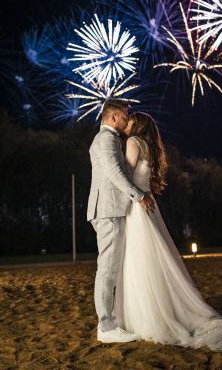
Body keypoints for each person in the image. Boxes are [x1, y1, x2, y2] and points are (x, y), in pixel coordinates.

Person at [114, 111, 222, 352]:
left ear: (139, 126)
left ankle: (146, 315)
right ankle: (158, 308)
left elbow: (124, 176)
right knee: (151, 260)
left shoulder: (133, 143)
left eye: (131, 121)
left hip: (136, 207)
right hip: (148, 206)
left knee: (137, 261)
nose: (127, 124)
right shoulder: (150, 146)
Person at [87, 100, 155, 343]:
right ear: (114, 117)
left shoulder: (111, 139)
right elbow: (115, 173)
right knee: (107, 269)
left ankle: (111, 322)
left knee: (111, 268)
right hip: (109, 210)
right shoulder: (105, 139)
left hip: (112, 209)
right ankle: (106, 327)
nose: (128, 120)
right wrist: (139, 196)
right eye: (125, 116)